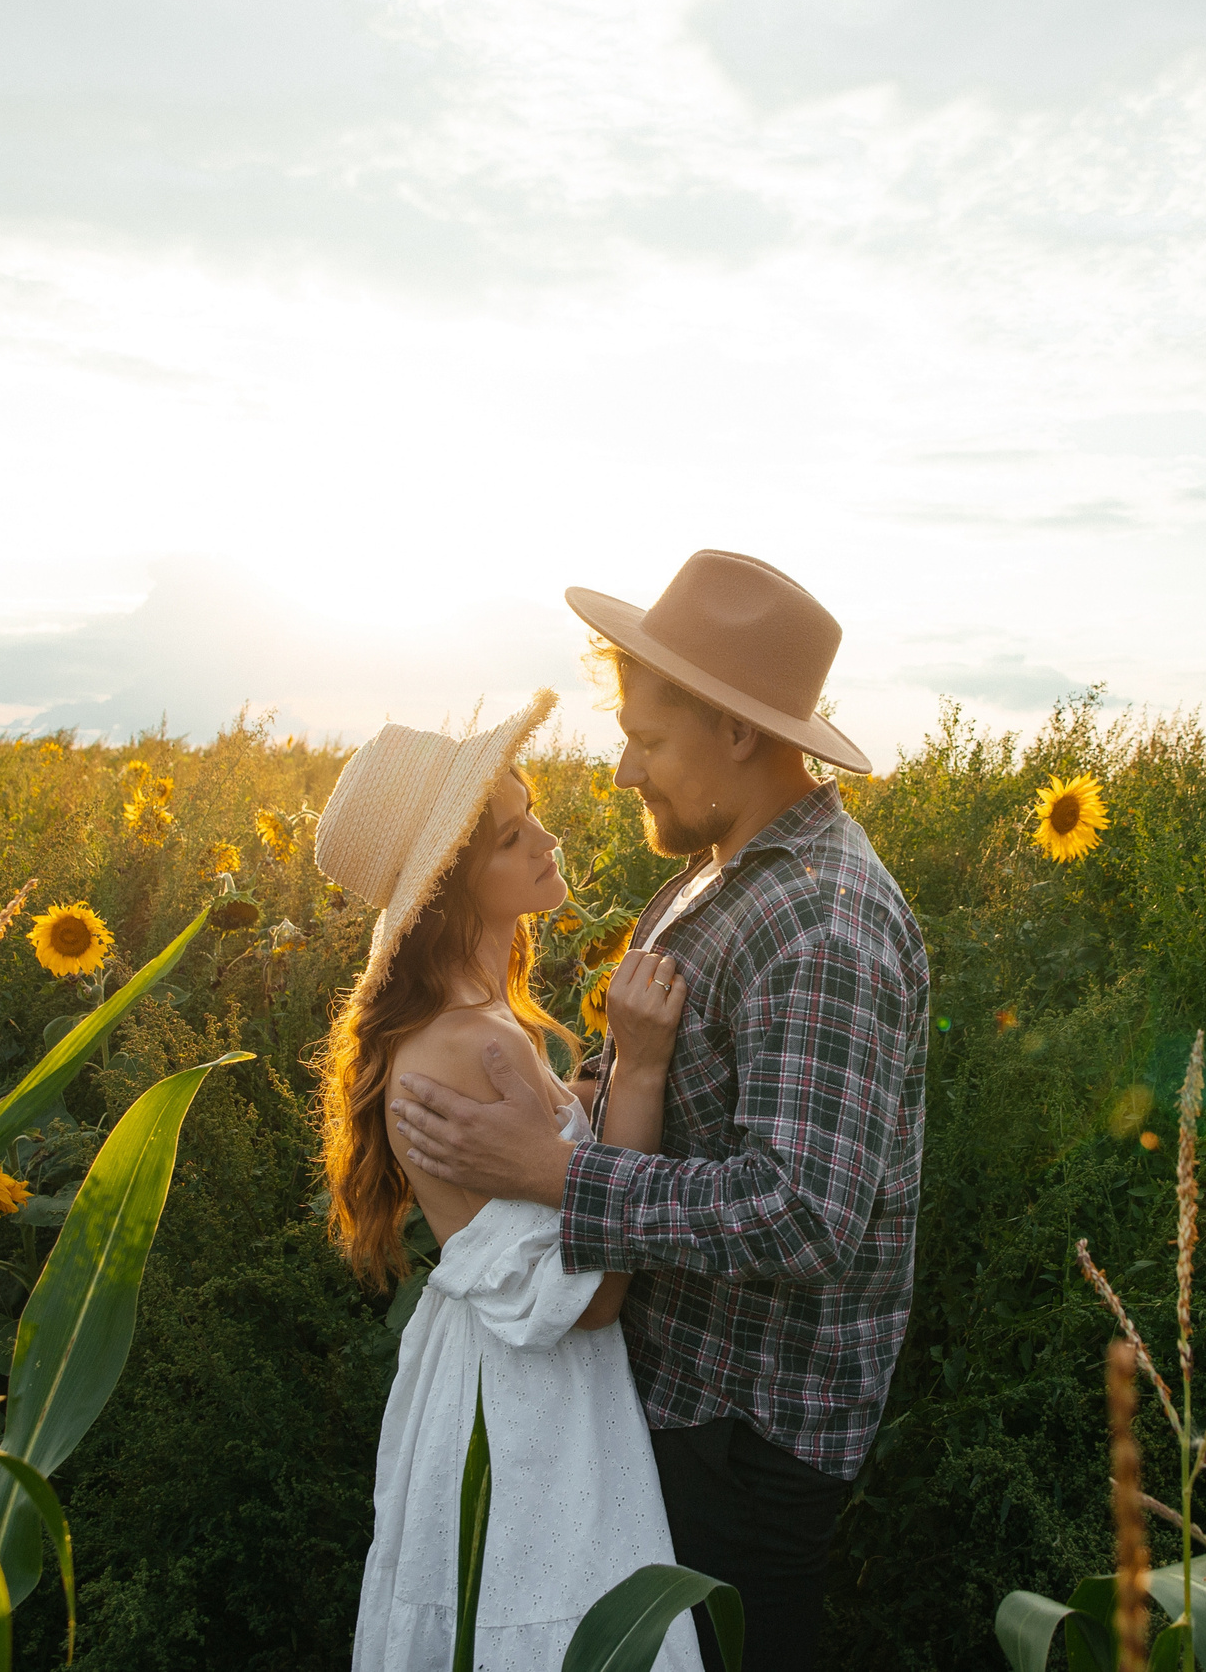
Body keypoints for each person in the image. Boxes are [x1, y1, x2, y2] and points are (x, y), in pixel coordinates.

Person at [389, 551, 931, 1672]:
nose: (624, 769)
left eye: (648, 739)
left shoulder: (821, 924)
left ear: (736, 731)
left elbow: (804, 1214)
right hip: (674, 1401)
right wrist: (580, 1095)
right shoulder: (716, 875)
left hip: (747, 1434)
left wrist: (555, 1173)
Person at [316, 689, 701, 1672]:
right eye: (509, 836)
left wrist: (581, 1100)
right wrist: (641, 1068)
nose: (546, 839)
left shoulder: (466, 1026)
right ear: (451, 891)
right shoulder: (472, 1046)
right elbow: (593, 1297)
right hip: (530, 1409)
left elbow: (540, 1178)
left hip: (488, 1376)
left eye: (531, 814)